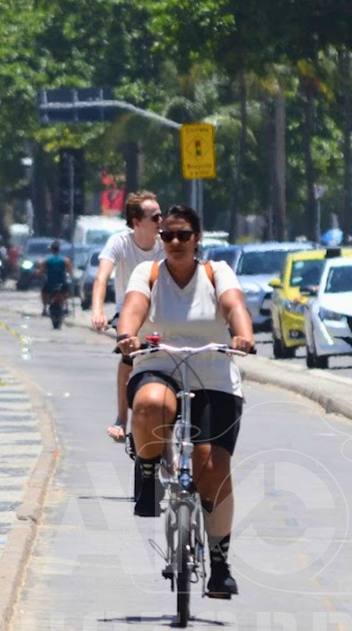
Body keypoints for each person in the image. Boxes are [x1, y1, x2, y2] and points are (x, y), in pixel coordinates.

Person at [116, 204, 255, 598]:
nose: (175, 242)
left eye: (183, 236)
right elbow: (133, 309)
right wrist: (127, 335)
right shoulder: (150, 273)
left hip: (213, 370)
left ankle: (220, 564)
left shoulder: (217, 272)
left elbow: (234, 306)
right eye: (168, 236)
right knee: (150, 406)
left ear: (198, 239)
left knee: (212, 468)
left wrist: (242, 335)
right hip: (159, 363)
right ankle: (146, 471)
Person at [92, 191, 164, 442]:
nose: (161, 221)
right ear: (136, 222)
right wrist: (98, 311)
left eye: (161, 215)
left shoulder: (166, 246)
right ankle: (121, 417)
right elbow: (101, 278)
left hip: (160, 314)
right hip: (129, 313)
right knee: (128, 358)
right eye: (155, 217)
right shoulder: (119, 243)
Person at [37, 240, 72, 311]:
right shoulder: (65, 260)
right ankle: (66, 307)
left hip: (50, 283)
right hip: (62, 282)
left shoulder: (46, 259)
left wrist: (38, 273)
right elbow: (70, 272)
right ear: (59, 250)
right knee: (65, 293)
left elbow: (41, 272)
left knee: (44, 293)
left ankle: (44, 309)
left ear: (51, 249)